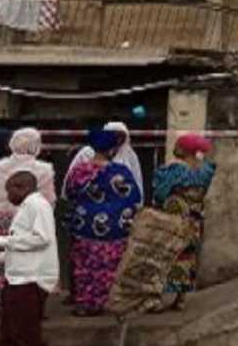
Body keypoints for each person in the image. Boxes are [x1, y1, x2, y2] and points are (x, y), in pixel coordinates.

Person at [63, 128, 142, 316]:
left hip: (84, 225)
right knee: (109, 264)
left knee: (85, 264)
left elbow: (69, 193)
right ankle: (107, 300)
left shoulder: (78, 171)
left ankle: (86, 303)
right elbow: (134, 197)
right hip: (114, 227)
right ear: (112, 149)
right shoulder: (120, 172)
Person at [0, 170, 60, 346]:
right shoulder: (27, 208)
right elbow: (23, 247)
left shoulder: (37, 206)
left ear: (22, 188)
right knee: (9, 338)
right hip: (17, 279)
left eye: (9, 191)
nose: (8, 196)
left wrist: (0, 241)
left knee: (27, 338)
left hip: (29, 281)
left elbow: (41, 239)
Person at [0, 127, 57, 320]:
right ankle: (33, 305)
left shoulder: (1, 166)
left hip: (3, 217)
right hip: (32, 219)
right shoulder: (44, 169)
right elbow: (49, 199)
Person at [149, 133, 216, 312]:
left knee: (165, 257)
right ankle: (181, 298)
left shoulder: (172, 172)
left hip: (171, 222)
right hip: (193, 223)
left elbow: (159, 194)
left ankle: (158, 299)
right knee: (187, 258)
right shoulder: (203, 173)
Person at [63, 121, 143, 202]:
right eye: (115, 136)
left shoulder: (129, 156)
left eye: (121, 136)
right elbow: (70, 185)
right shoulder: (86, 153)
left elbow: (137, 181)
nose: (118, 140)